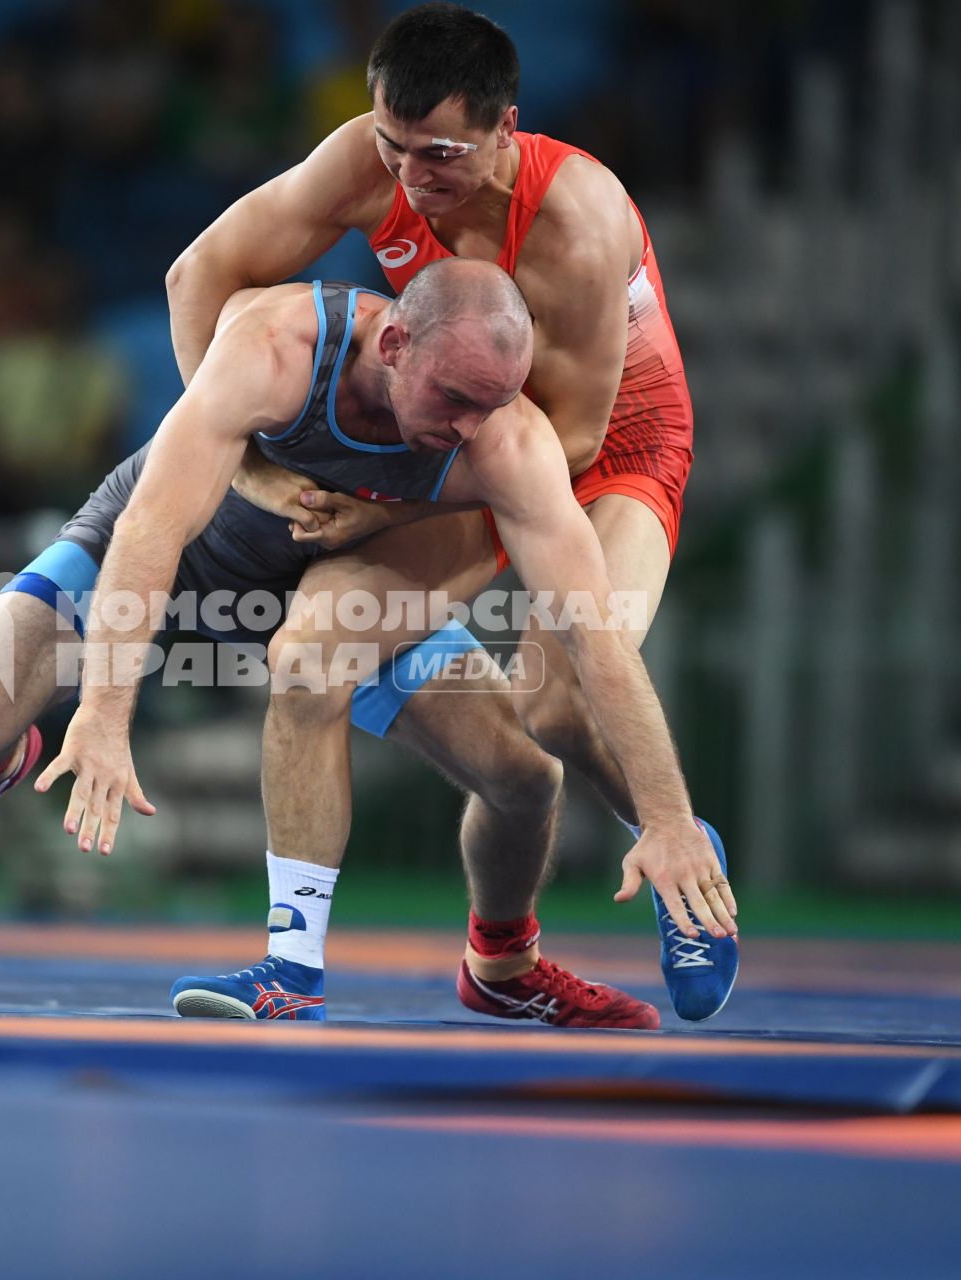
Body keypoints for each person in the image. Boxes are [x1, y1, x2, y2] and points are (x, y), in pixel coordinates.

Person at [0, 261, 723, 1028]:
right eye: (454, 398)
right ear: (393, 343)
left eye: (491, 404)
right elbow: (154, 529)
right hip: (170, 552)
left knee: (525, 782)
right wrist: (100, 714)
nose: (468, 429)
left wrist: (668, 819)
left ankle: (488, 963)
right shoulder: (277, 345)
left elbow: (598, 642)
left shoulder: (509, 442)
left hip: (322, 580)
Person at [161, 2, 738, 1021]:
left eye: (441, 155)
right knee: (310, 653)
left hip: (604, 449)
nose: (413, 178)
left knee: (559, 694)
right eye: (394, 146)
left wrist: (372, 509)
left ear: (507, 128)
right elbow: (198, 272)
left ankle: (680, 846)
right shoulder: (370, 160)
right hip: (464, 442)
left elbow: (561, 444)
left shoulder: (578, 222)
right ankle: (295, 973)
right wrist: (248, 460)